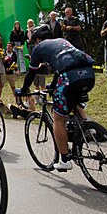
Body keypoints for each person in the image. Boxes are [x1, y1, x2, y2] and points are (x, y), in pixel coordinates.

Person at [16, 24, 95, 171]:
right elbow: (61, 68)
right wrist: (52, 86)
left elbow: (32, 73)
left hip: (69, 77)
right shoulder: (62, 41)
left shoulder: (40, 47)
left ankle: (65, 159)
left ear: (38, 39)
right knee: (74, 101)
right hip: (88, 73)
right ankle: (87, 127)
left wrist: (24, 90)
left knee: (59, 119)